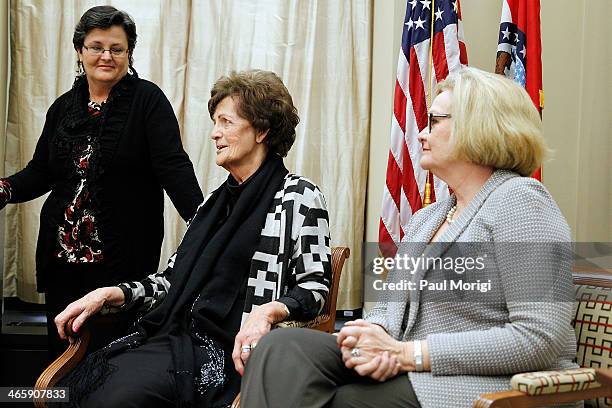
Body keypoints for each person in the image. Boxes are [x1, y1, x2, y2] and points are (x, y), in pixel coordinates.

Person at [240, 67, 578, 407]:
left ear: (480, 127)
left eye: (435, 122)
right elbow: (388, 311)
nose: (421, 135)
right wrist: (368, 336)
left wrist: (408, 354)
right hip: (408, 367)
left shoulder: (520, 200)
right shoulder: (425, 219)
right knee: (279, 348)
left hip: (491, 384)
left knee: (345, 400)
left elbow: (540, 337)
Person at [53, 69, 332, 407]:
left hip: (227, 351)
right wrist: (111, 293)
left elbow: (315, 287)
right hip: (174, 336)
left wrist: (268, 312)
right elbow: (170, 282)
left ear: (261, 130)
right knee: (73, 389)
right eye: (215, 122)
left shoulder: (299, 196)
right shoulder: (213, 205)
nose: (215, 134)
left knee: (115, 397)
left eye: (226, 122)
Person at [0, 6, 203, 359]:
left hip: (120, 263)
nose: (106, 56)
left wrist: (206, 225)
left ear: (129, 54)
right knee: (61, 359)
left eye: (116, 48)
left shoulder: (148, 101)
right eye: (96, 46)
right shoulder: (63, 108)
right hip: (60, 259)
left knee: (112, 362)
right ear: (80, 51)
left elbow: (174, 168)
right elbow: (41, 172)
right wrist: (4, 189)